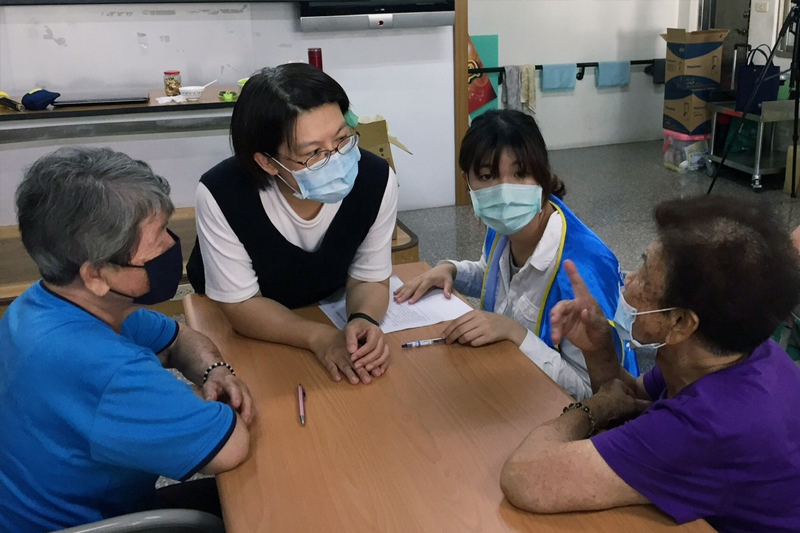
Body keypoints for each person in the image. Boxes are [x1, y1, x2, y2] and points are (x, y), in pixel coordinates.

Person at [500, 195, 800, 533]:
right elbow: (631, 396)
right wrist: (599, 351)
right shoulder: (740, 351)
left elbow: (526, 477)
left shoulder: (707, 426)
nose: (629, 281)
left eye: (645, 276)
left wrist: (591, 409)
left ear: (681, 324)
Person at [0, 147, 256, 533]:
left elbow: (177, 338)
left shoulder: (44, 302)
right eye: (156, 244)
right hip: (93, 523)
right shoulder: (105, 368)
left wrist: (214, 371)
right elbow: (230, 447)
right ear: (96, 274)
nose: (173, 247)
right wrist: (194, 408)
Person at [394, 110, 636, 400]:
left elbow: (598, 391)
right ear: (466, 181)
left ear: (542, 173)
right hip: (510, 386)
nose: (505, 191)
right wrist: (452, 271)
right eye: (488, 176)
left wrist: (515, 334)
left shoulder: (582, 268)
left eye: (520, 173)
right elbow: (497, 277)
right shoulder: (506, 225)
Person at [187, 63, 397, 386]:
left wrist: (363, 319)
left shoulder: (375, 179)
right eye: (313, 153)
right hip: (249, 325)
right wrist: (319, 338)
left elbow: (370, 278)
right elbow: (241, 305)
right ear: (267, 162)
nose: (337, 159)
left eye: (342, 139)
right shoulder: (222, 194)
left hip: (325, 305)